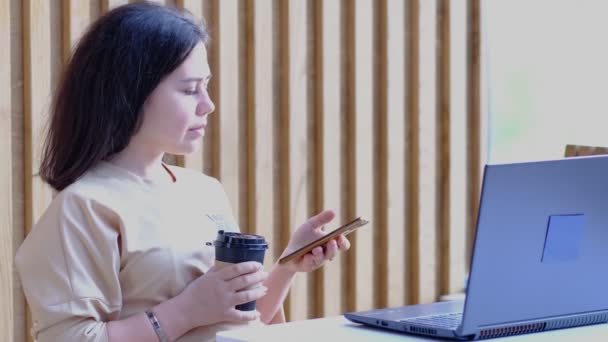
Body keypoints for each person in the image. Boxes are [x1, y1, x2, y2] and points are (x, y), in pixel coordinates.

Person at [15, 2, 350, 341]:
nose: (208, 104)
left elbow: (237, 325)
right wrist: (186, 310)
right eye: (190, 89)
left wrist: (287, 266)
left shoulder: (204, 190)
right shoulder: (84, 207)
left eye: (206, 86)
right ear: (131, 93)